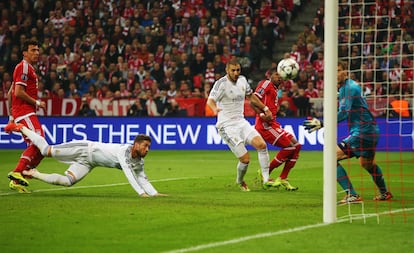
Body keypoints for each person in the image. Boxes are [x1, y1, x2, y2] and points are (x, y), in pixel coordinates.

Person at [303, 61, 393, 204]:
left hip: (363, 131)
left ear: (345, 72)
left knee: (330, 156)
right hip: (371, 131)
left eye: (339, 70)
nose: (336, 73)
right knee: (367, 164)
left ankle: (352, 195)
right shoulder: (346, 87)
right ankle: (384, 192)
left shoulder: (350, 88)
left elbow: (344, 113)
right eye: (334, 71)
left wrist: (323, 123)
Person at [5, 122, 167, 197]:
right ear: (136, 144)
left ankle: (33, 173)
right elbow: (129, 174)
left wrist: (154, 194)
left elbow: (142, 178)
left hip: (89, 162)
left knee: (67, 182)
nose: (147, 150)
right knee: (47, 150)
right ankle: (21, 127)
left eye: (149, 147)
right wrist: (141, 194)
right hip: (84, 148)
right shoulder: (124, 151)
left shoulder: (139, 162)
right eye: (145, 146)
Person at [206, 59, 277, 191]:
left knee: (261, 145)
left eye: (238, 70)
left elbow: (251, 97)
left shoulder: (243, 80)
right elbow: (210, 100)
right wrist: (214, 109)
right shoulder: (221, 83)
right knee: (245, 159)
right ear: (227, 70)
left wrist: (265, 108)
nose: (236, 73)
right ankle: (240, 181)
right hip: (226, 126)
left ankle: (266, 179)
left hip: (241, 122)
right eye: (233, 70)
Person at [6, 39, 46, 193]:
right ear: (25, 53)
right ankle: (18, 172)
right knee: (38, 143)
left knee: (40, 147)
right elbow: (17, 93)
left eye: (37, 50)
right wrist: (36, 102)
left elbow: (10, 93)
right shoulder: (23, 67)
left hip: (22, 112)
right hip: (25, 111)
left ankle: (18, 178)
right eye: (33, 50)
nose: (37, 53)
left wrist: (11, 117)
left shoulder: (27, 68)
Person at [253, 68, 301, 191]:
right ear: (270, 75)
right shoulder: (266, 83)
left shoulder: (275, 88)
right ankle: (266, 172)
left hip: (273, 124)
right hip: (265, 125)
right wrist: (263, 114)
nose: (279, 77)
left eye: (281, 76)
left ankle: (283, 178)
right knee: (289, 147)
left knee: (297, 145)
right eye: (276, 75)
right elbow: (253, 100)